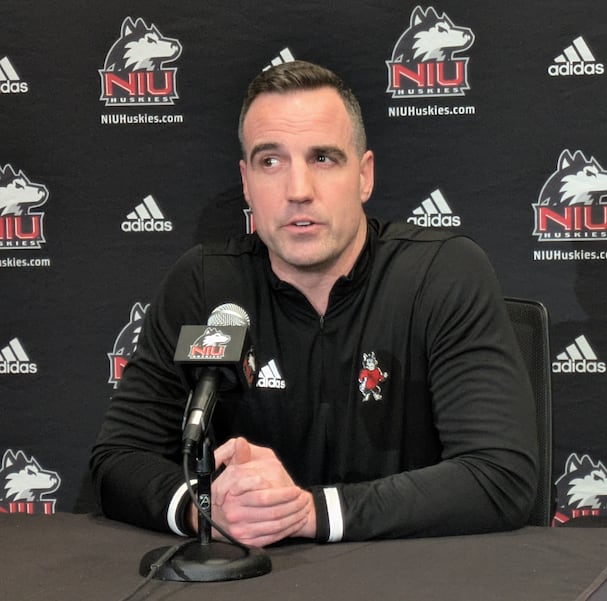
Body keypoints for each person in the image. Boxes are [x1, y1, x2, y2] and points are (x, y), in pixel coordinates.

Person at [90, 60, 538, 547]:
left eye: (323, 158)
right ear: (246, 182)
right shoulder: (209, 287)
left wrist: (309, 513)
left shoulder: (438, 275)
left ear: (364, 176)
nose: (298, 190)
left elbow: (500, 475)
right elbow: (119, 459)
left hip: (409, 580)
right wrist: (203, 509)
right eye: (271, 161)